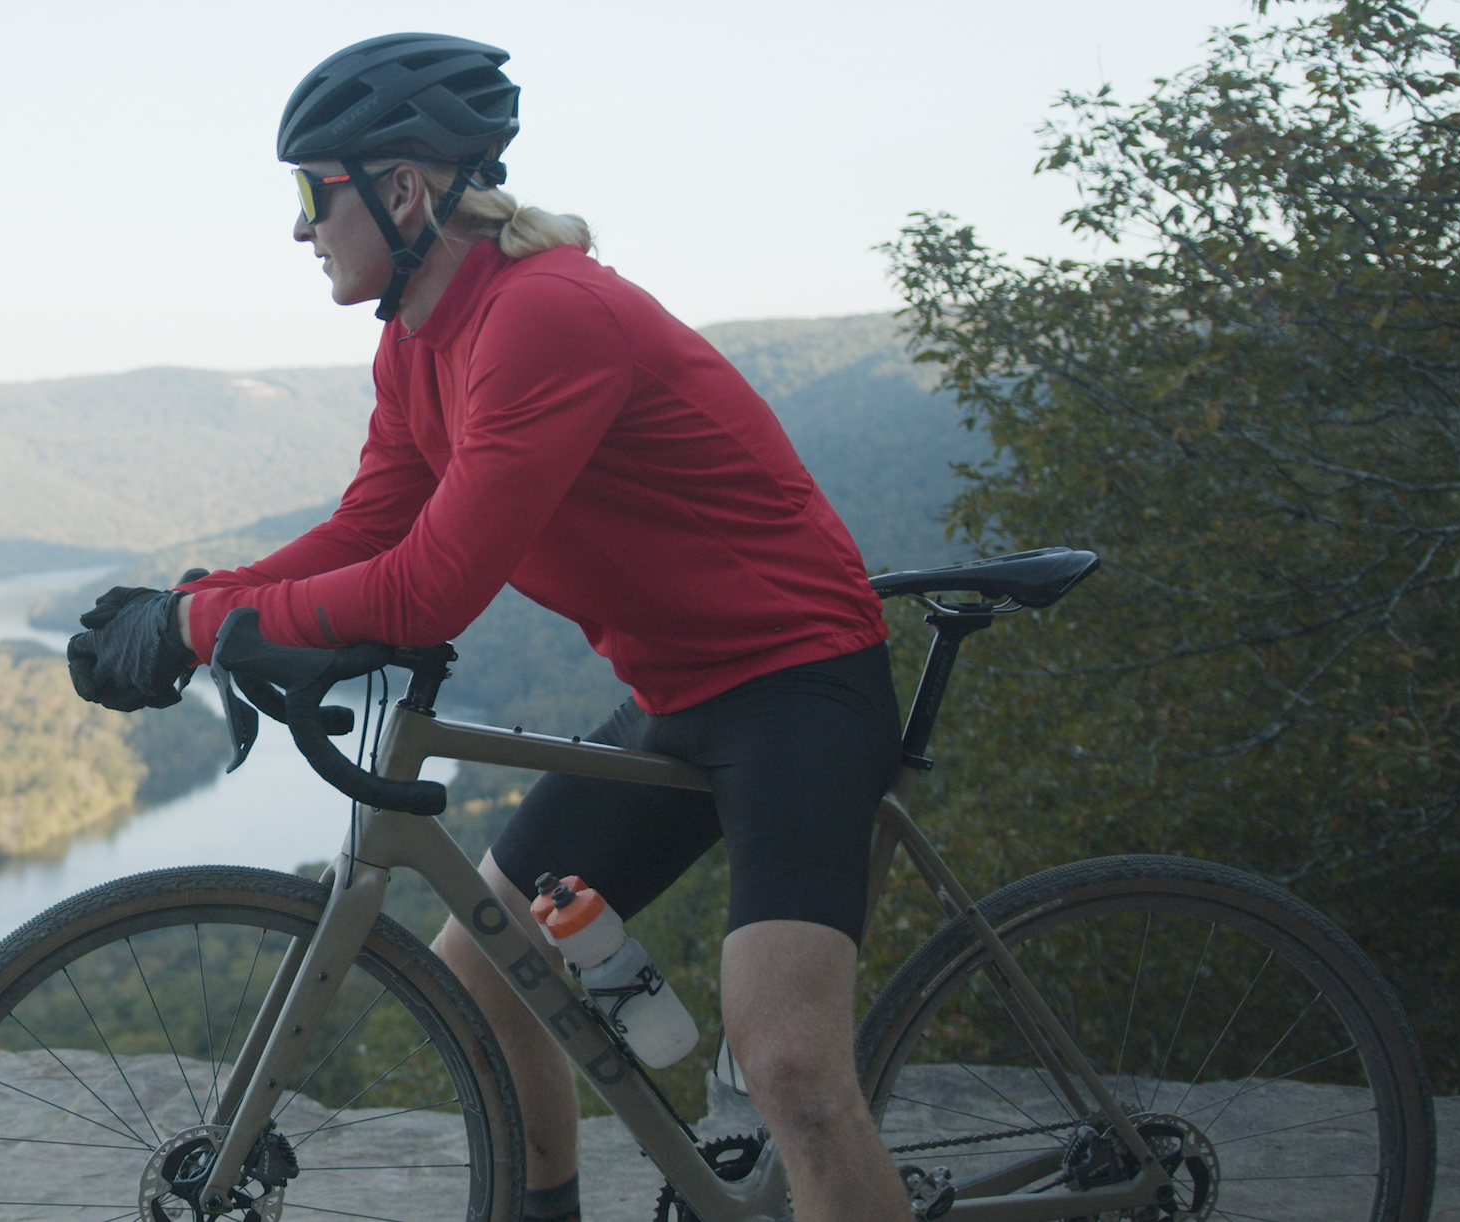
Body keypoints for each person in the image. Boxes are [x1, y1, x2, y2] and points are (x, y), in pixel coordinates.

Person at [66, 32, 915, 1222]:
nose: (299, 229)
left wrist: (210, 624)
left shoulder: (546, 314)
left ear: (402, 190)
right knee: (490, 968)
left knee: (790, 1068)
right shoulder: (420, 343)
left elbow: (429, 589)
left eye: (314, 192)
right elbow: (367, 528)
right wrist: (193, 597)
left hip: (796, 682)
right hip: (676, 691)